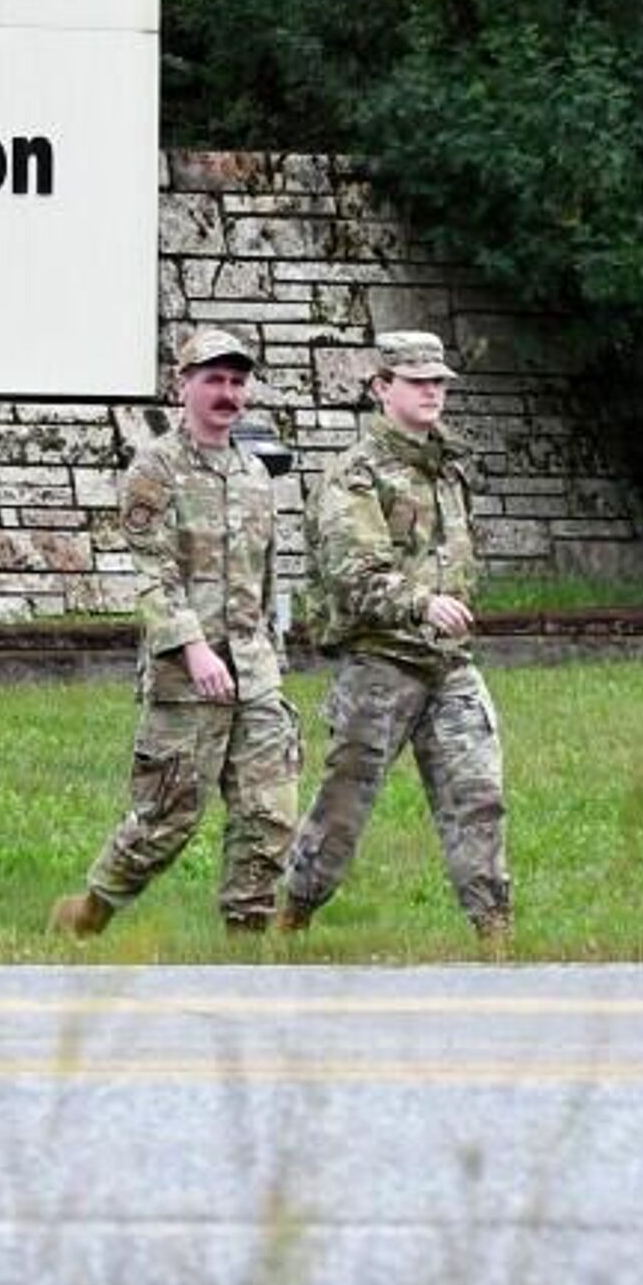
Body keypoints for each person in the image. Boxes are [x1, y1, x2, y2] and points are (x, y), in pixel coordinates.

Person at [50, 327, 301, 937]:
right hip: (186, 675)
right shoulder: (154, 470)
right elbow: (153, 572)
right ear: (182, 385)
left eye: (237, 382)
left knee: (270, 814)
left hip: (255, 672)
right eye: (213, 380)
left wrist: (272, 657)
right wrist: (193, 649)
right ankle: (89, 913)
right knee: (167, 817)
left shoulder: (254, 474)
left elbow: (265, 578)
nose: (227, 393)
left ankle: (246, 939)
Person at [277, 330, 513, 952]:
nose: (432, 392)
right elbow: (353, 573)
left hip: (449, 665)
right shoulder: (354, 475)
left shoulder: (449, 467)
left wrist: (444, 610)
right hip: (380, 665)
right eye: (417, 381)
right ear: (382, 388)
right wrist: (421, 603)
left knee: (478, 796)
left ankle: (495, 933)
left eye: (439, 382)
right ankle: (291, 916)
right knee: (344, 806)